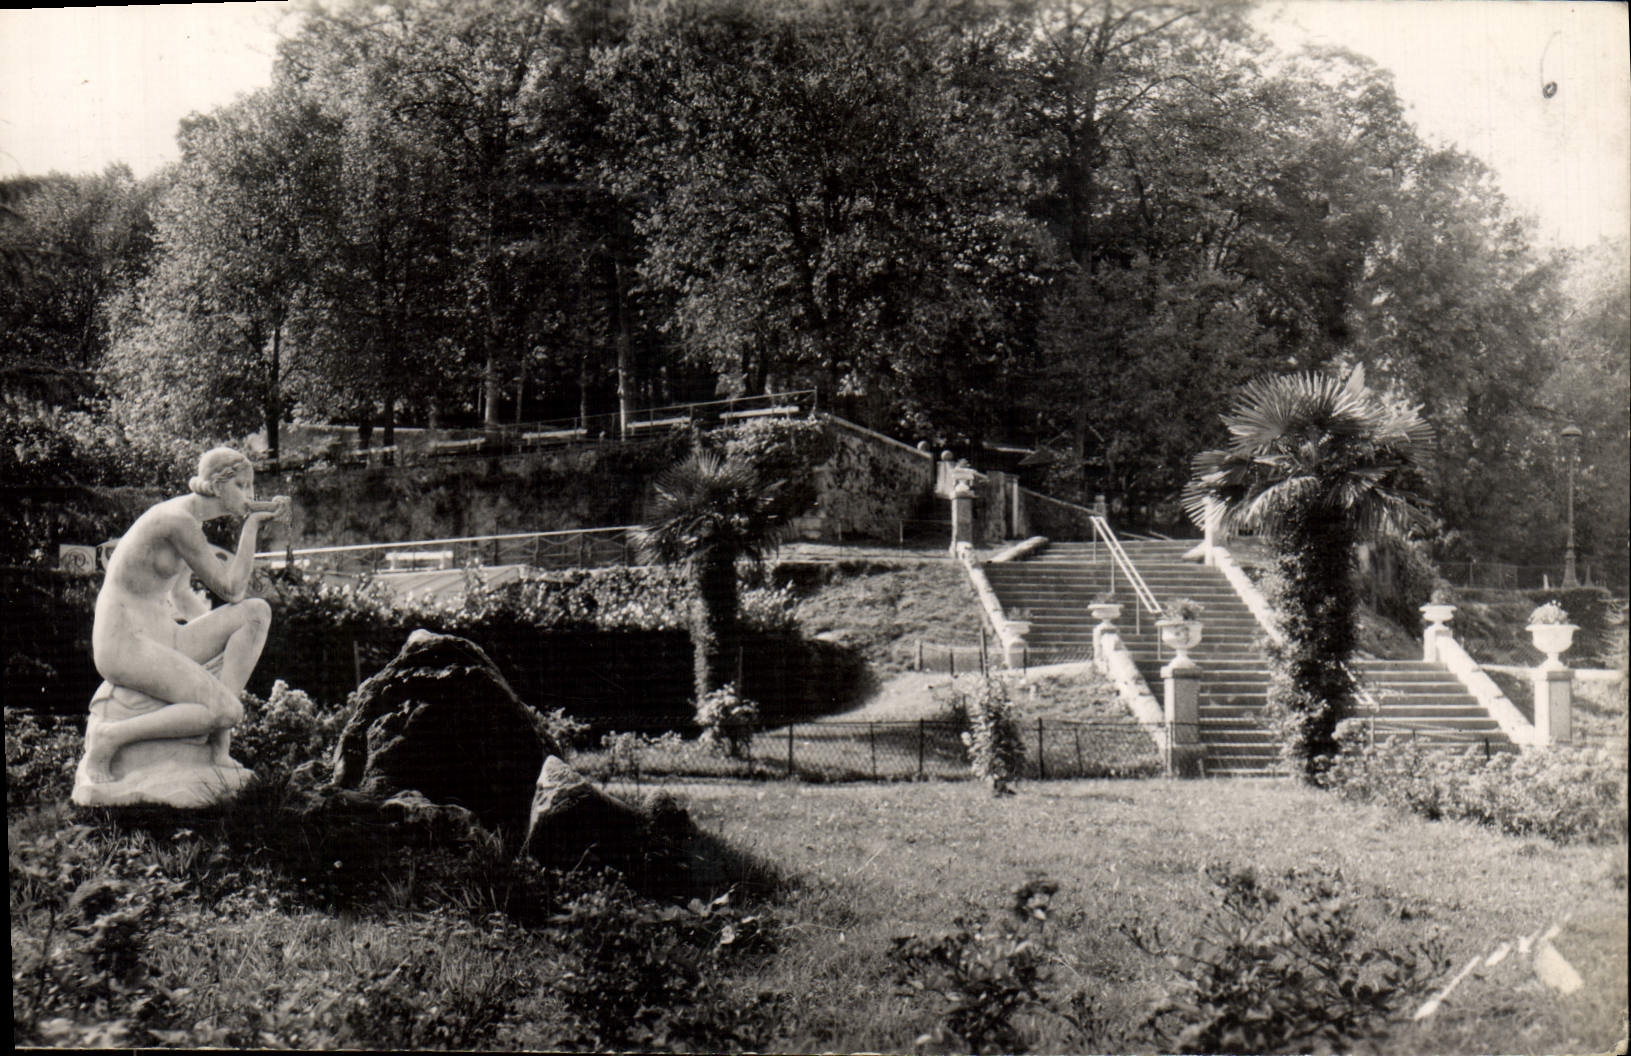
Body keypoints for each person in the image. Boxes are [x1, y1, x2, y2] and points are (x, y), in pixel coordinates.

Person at [80, 446, 288, 783]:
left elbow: (181, 595)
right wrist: (250, 529)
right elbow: (232, 590)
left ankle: (218, 746)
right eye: (241, 485)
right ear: (217, 485)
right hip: (123, 642)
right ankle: (109, 738)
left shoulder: (189, 521)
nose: (250, 496)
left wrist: (216, 642)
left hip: (164, 637)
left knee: (255, 613)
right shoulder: (177, 521)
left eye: (251, 486)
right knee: (227, 710)